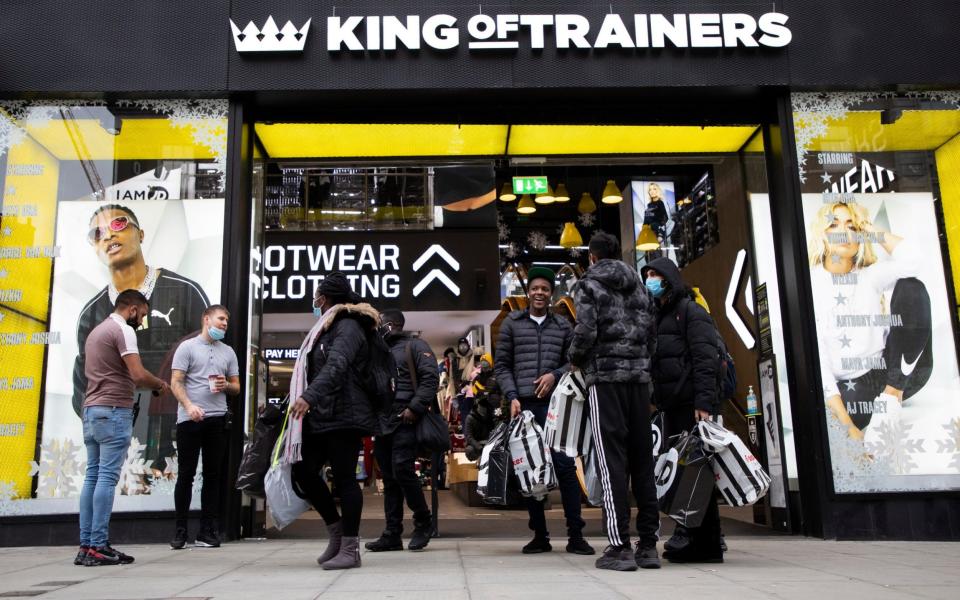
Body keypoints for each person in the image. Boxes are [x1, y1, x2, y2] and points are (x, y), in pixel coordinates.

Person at [73, 204, 210, 467]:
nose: (108, 236)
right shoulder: (92, 314)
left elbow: (209, 358)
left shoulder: (185, 291)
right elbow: (83, 385)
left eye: (118, 224)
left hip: (178, 432)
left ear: (142, 234)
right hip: (119, 442)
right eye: (97, 233)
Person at [568, 232, 659, 572]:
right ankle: (648, 545)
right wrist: (640, 362)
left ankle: (619, 545)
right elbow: (652, 333)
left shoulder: (587, 285)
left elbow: (585, 331)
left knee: (611, 462)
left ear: (591, 257)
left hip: (605, 379)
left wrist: (575, 359)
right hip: (638, 380)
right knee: (642, 461)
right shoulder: (638, 284)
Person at [807, 201, 931, 447]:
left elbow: (915, 261)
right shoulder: (810, 286)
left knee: (911, 286)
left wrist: (869, 228)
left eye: (852, 226)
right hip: (854, 388)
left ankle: (892, 399)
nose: (844, 232)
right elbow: (818, 364)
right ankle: (885, 402)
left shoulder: (870, 275)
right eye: (834, 224)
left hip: (899, 371)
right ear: (822, 234)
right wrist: (848, 425)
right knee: (834, 426)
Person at [494, 266, 593, 556]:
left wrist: (554, 375)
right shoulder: (512, 323)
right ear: (528, 292)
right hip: (523, 406)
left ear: (552, 293)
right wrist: (511, 396)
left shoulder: (563, 326)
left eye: (545, 289)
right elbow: (502, 366)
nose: (540, 293)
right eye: (535, 288)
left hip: (558, 406)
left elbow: (575, 362)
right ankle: (540, 535)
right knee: (531, 471)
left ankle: (576, 534)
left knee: (564, 467)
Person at [287, 273, 381, 570]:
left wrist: (308, 396)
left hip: (346, 414)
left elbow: (337, 365)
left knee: (344, 479)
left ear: (324, 299)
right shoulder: (324, 328)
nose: (313, 302)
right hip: (324, 413)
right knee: (302, 470)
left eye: (316, 297)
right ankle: (336, 533)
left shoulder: (348, 325)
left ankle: (350, 548)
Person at [77, 289, 169, 566]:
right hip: (114, 410)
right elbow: (138, 374)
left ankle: (85, 546)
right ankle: (98, 545)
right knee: (106, 478)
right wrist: (160, 385)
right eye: (141, 315)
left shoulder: (97, 331)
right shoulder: (122, 330)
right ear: (131, 308)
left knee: (92, 477)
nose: (141, 322)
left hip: (92, 410)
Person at [641, 256, 723, 564]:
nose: (650, 279)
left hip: (691, 406)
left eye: (655, 274)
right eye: (647, 274)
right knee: (683, 475)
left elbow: (706, 359)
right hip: (670, 406)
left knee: (698, 474)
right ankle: (692, 539)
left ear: (670, 278)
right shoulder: (658, 316)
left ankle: (706, 544)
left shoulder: (690, 311)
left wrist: (704, 402)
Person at [366, 308, 439, 552]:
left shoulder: (416, 346)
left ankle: (423, 522)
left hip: (406, 419)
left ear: (393, 324)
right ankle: (392, 533)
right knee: (389, 477)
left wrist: (414, 408)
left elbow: (430, 379)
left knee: (402, 469)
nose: (378, 328)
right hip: (383, 422)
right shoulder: (379, 350)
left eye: (381, 324)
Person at [168, 305, 241, 550]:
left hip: (217, 418)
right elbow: (175, 382)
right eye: (221, 319)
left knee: (213, 476)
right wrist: (189, 406)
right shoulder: (187, 348)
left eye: (227, 322)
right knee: (186, 475)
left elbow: (237, 387)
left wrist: (226, 386)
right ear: (206, 318)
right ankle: (180, 530)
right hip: (189, 419)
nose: (224, 324)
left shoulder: (228, 352)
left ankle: (206, 530)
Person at [463, 354, 505, 461]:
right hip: (482, 407)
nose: (484, 366)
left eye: (486, 363)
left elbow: (502, 392)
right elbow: (475, 393)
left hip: (496, 407)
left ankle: (497, 450)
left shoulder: (497, 376)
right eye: (483, 364)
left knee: (498, 425)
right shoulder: (477, 378)